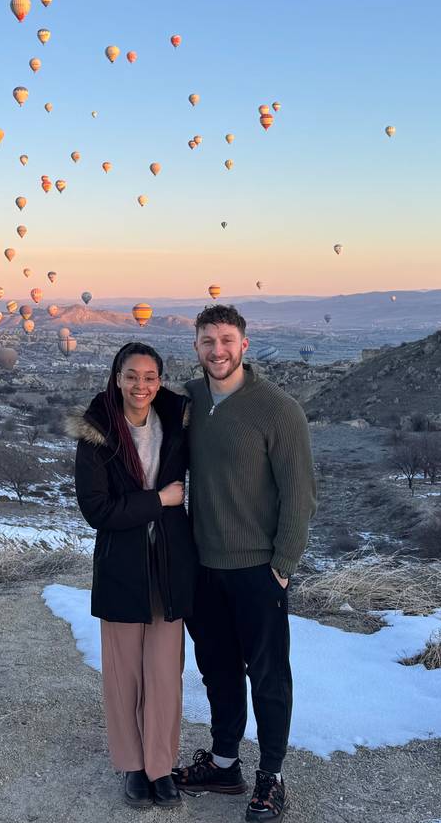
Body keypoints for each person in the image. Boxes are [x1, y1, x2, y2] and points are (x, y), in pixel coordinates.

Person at [173, 305, 316, 821]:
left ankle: (271, 776)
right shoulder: (187, 400)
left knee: (269, 675)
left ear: (245, 344)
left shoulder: (277, 409)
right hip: (203, 567)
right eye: (208, 340)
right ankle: (225, 763)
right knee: (218, 671)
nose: (218, 350)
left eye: (227, 339)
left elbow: (300, 496)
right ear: (195, 345)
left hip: (258, 569)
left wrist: (283, 564)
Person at [69, 342, 197, 810]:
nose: (140, 385)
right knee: (124, 676)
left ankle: (161, 766)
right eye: (131, 376)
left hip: (169, 566)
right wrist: (159, 501)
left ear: (159, 380)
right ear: (116, 378)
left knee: (165, 674)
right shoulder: (97, 433)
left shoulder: (178, 425)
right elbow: (97, 510)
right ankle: (133, 766)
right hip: (122, 567)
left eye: (149, 377)